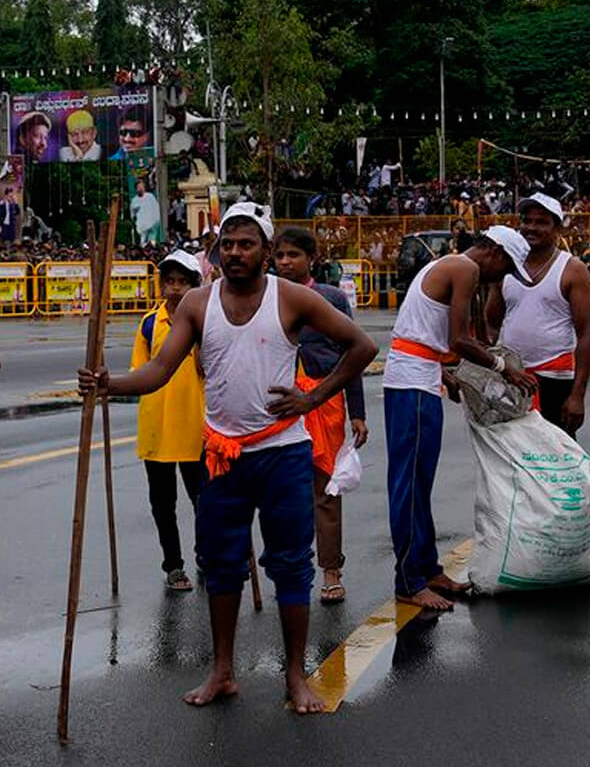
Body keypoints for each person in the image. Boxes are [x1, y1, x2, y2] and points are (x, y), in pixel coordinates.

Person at [79, 203, 376, 714]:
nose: (235, 253)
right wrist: (111, 385)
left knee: (290, 566)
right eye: (227, 245)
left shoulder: (294, 298)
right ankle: (222, 671)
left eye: (246, 244)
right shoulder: (197, 302)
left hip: (283, 452)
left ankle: (294, 675)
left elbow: (361, 346)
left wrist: (314, 398)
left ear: (264, 251)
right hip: (221, 455)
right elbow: (161, 370)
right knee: (220, 566)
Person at [383, 224, 536, 611]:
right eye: (505, 269)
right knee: (410, 484)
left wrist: (447, 377)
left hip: (421, 374)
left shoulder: (452, 264)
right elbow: (458, 340)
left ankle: (426, 567)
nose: (501, 278)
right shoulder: (465, 268)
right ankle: (409, 581)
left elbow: (427, 335)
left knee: (420, 482)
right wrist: (504, 367)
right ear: (495, 253)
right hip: (412, 383)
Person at [271, 227, 369, 605]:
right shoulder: (265, 296)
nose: (285, 263)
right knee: (281, 492)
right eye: (279, 256)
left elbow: (353, 355)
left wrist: (357, 413)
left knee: (325, 491)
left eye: (293, 255)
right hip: (279, 402)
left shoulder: (330, 298)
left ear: (310, 258)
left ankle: (331, 570)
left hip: (324, 402)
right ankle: (289, 569)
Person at [486, 193, 590, 437]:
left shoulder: (573, 270)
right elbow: (491, 327)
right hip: (512, 378)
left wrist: (577, 396)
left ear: (557, 227)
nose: (531, 228)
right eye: (526, 221)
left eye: (541, 222)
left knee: (556, 462)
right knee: (517, 459)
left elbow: (586, 335)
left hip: (555, 378)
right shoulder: (505, 268)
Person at [132, 250, 207, 591]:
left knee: (205, 499)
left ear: (195, 285)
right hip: (158, 423)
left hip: (197, 424)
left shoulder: (207, 321)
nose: (175, 289)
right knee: (163, 503)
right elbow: (140, 371)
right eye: (170, 282)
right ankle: (174, 566)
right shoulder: (150, 323)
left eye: (183, 282)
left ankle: (208, 556)